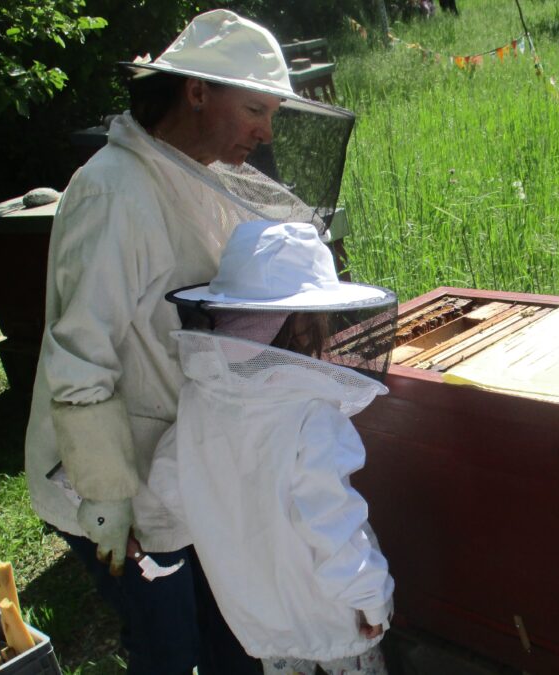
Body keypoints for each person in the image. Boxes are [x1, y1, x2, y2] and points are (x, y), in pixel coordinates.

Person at [23, 9, 351, 674]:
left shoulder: (202, 177)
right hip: (118, 483)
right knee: (168, 649)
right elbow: (80, 353)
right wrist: (106, 490)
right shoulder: (115, 192)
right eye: (255, 109)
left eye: (273, 116)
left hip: (183, 461)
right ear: (197, 91)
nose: (264, 132)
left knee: (229, 635)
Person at [140, 220, 397, 675]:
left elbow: (169, 485)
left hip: (256, 621)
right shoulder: (310, 415)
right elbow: (333, 523)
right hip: (334, 619)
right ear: (302, 327)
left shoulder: (199, 399)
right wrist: (371, 597)